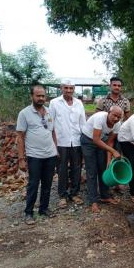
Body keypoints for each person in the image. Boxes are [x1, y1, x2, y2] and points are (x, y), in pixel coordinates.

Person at [16, 85, 58, 225]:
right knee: (33, 184)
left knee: (47, 184)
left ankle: (43, 209)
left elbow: (52, 132)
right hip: (34, 156)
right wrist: (21, 159)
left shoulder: (49, 112)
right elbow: (20, 137)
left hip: (50, 155)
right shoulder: (24, 113)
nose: (41, 98)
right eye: (38, 95)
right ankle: (29, 213)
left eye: (43, 96)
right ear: (32, 96)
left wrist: (56, 149)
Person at [49, 79, 86, 208]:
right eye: (66, 88)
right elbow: (51, 124)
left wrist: (84, 140)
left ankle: (74, 193)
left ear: (74, 89)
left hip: (76, 141)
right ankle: (63, 195)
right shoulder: (54, 103)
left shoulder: (79, 103)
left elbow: (83, 123)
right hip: (61, 141)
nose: (69, 90)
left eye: (71, 88)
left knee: (77, 168)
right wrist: (53, 144)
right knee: (62, 169)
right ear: (61, 88)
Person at [81, 107, 123, 213]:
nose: (116, 118)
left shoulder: (117, 124)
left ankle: (104, 196)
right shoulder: (100, 118)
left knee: (103, 168)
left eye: (119, 117)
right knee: (91, 171)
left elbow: (110, 142)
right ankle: (93, 201)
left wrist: (108, 160)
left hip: (102, 141)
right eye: (114, 115)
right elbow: (95, 139)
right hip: (88, 140)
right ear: (108, 113)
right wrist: (113, 151)